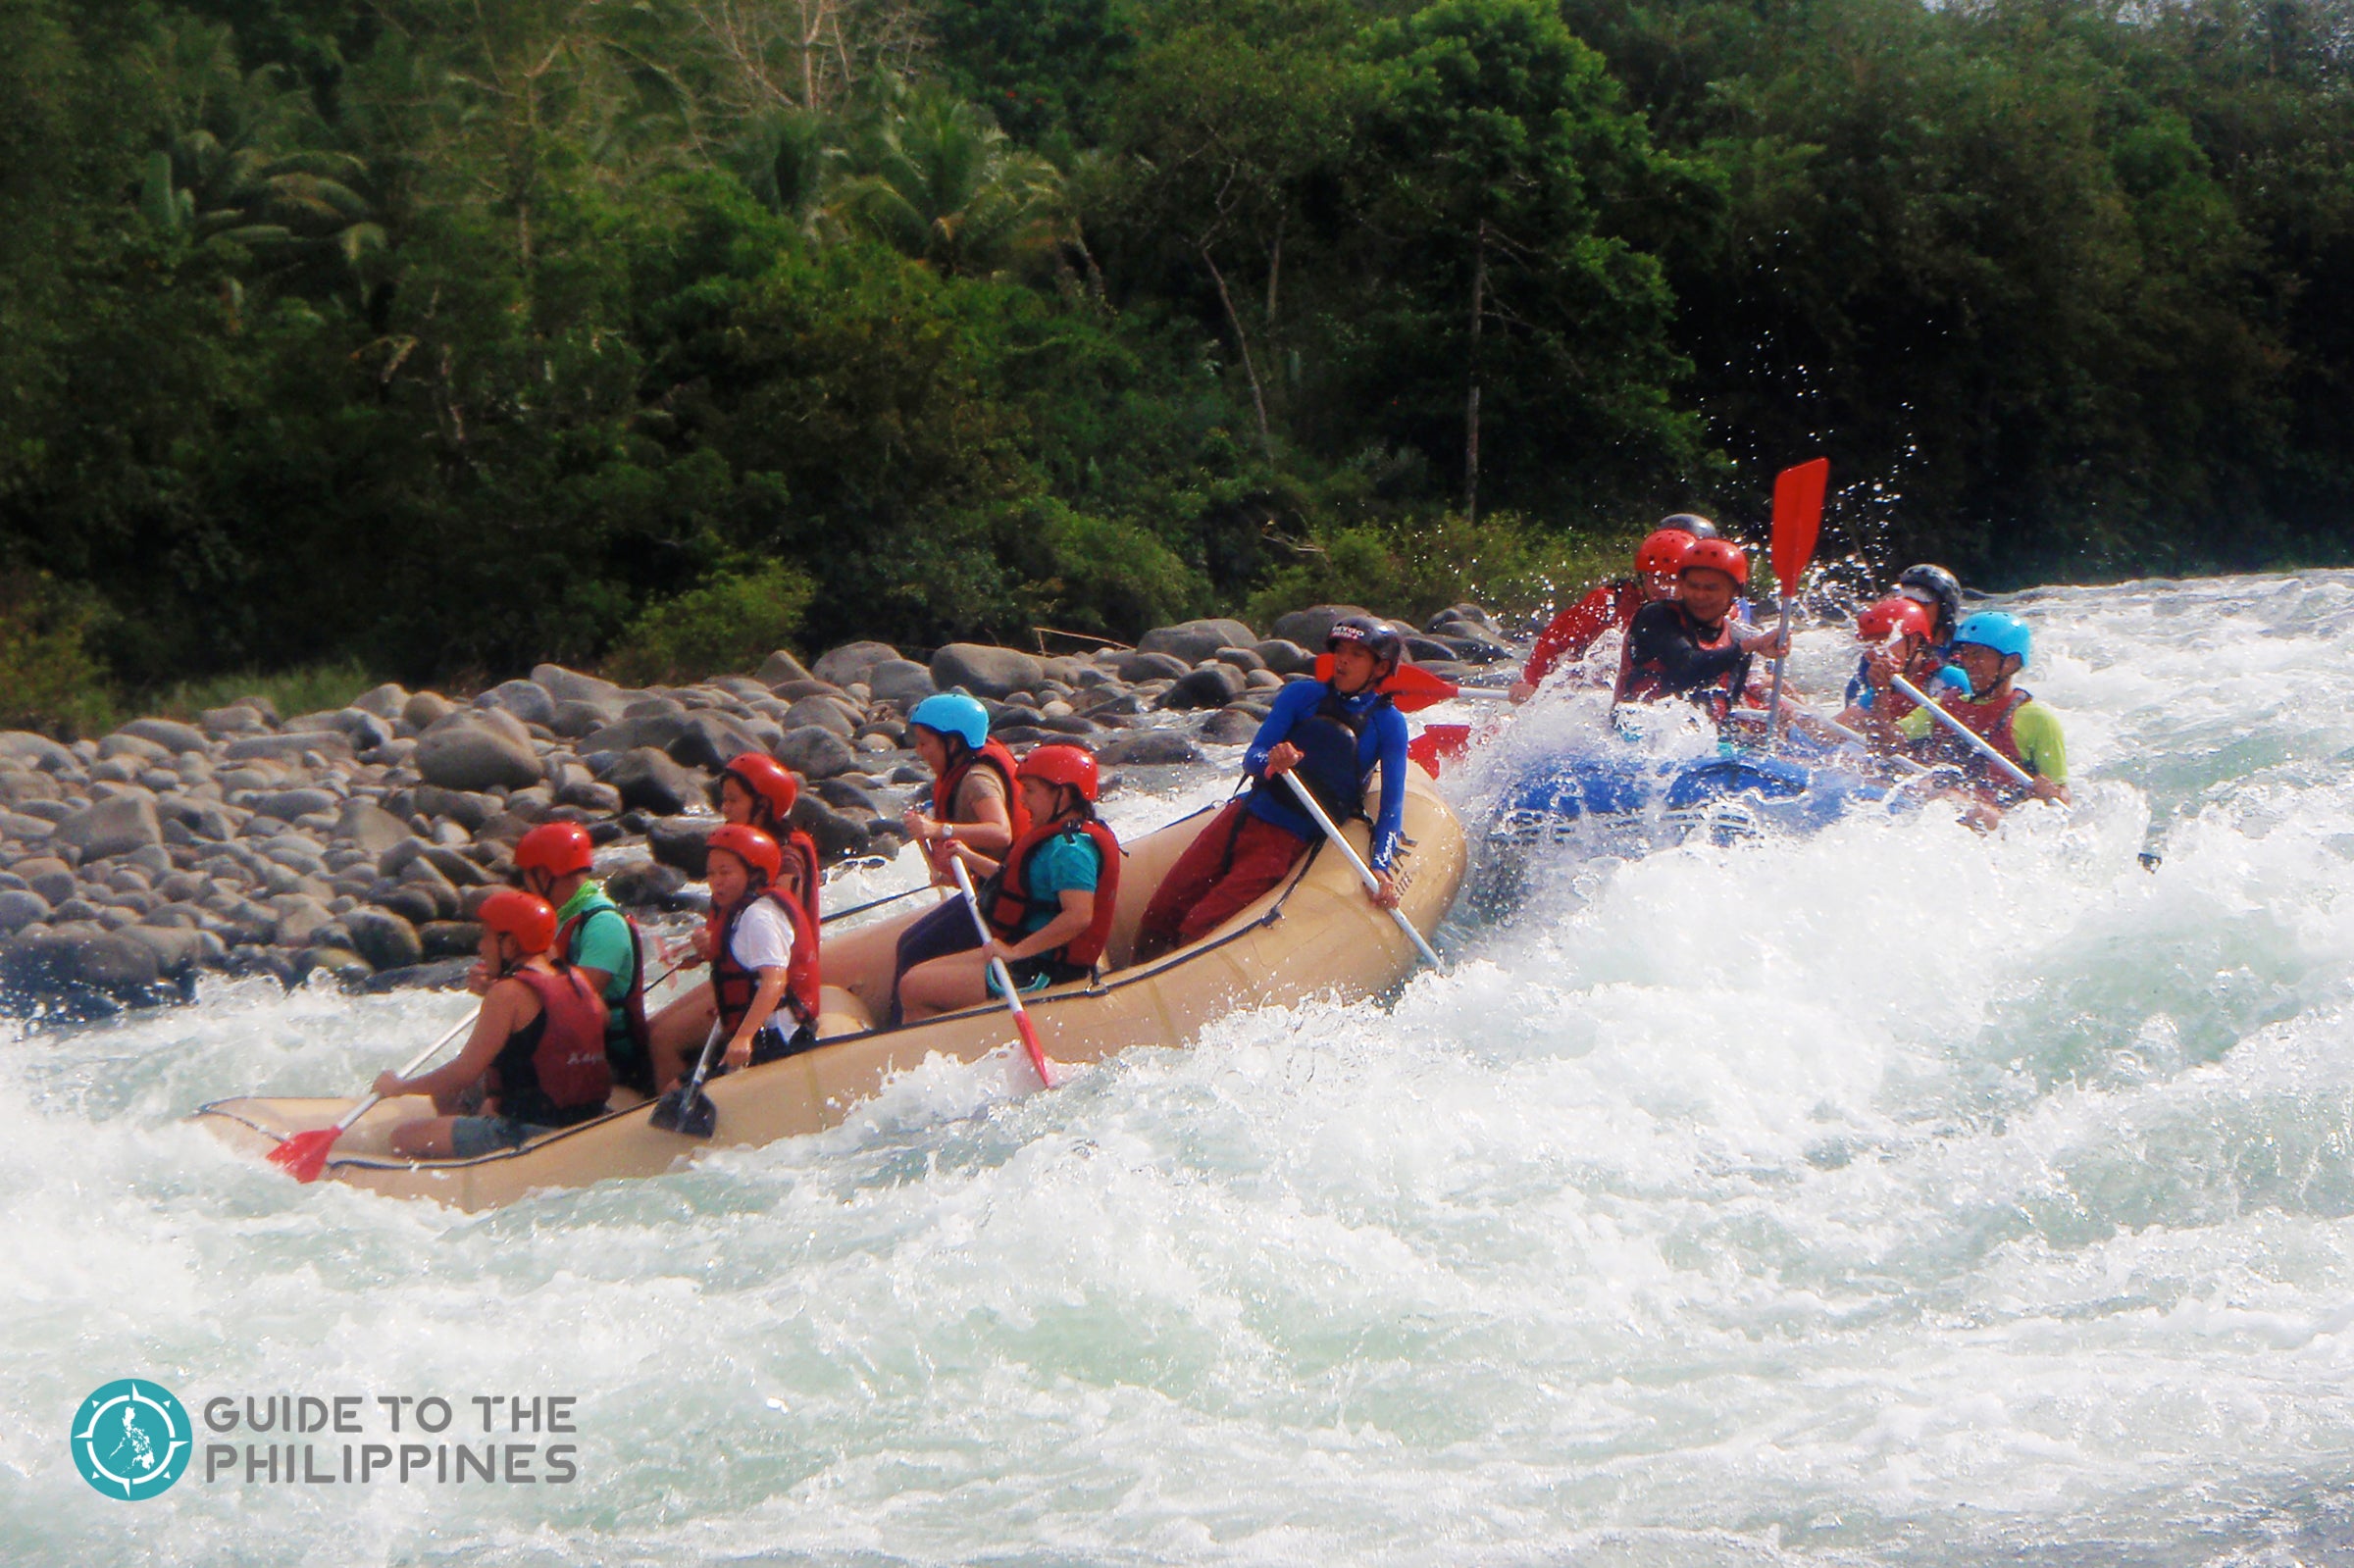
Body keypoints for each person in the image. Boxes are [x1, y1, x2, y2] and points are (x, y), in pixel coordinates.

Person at [1136, 616, 1410, 962]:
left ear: (1380, 666)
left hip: (1286, 841)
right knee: (1160, 914)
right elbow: (1253, 757)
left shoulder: (1389, 723)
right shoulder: (1301, 695)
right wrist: (1274, 762)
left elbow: (1391, 807)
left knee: (1198, 926)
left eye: (1356, 654)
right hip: (1242, 818)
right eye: (1340, 650)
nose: (1342, 660)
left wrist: (1381, 864)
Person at [376, 889, 612, 1158]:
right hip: (588, 1114)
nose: (480, 947)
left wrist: (400, 1088)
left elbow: (464, 1073)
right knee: (449, 1095)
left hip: (527, 1130)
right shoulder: (576, 979)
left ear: (510, 945)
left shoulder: (507, 993)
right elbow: (597, 1020)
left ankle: (471, 1163)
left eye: (486, 936)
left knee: (402, 1138)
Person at [897, 744, 1120, 1021]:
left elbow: (1078, 917)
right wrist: (969, 857)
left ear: (1062, 795)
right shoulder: (1055, 841)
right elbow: (1015, 883)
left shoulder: (1070, 850)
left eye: (1030, 791)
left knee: (914, 987)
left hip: (1043, 970)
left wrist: (1015, 951)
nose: (1022, 800)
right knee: (914, 975)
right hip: (1030, 957)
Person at [854, 692, 1035, 1023]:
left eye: (926, 744)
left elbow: (1001, 832)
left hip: (1009, 900)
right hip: (993, 886)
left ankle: (905, 1029)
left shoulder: (978, 781)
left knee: (916, 951)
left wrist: (940, 829)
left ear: (954, 743)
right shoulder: (965, 772)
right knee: (908, 942)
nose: (920, 752)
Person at [649, 825, 819, 1090]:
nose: (716, 881)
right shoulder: (741, 913)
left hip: (779, 1037)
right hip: (762, 1033)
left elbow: (774, 980)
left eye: (725, 872)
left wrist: (743, 1037)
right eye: (711, 874)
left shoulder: (759, 916)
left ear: (754, 873)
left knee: (675, 1089)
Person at [510, 822, 653, 1094]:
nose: (525, 886)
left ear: (544, 873)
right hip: (564, 1047)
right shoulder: (558, 916)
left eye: (527, 877)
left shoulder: (603, 924)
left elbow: (578, 1005)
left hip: (610, 1056)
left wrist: (510, 997)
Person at [1510, 517, 1718, 701]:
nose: (1661, 587)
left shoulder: (1716, 613)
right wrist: (1531, 682)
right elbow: (1554, 642)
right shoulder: (1610, 602)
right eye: (1654, 577)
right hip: (1599, 697)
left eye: (1671, 579)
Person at [1898, 610, 2069, 823]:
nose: (1969, 663)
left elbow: (2063, 799)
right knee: (1922, 789)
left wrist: (2050, 792)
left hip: (2000, 817)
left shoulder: (2038, 719)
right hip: (1944, 805)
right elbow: (1885, 743)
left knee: (1978, 814)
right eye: (1966, 654)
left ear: (2011, 663)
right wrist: (1880, 691)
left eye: (1978, 655)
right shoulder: (1942, 707)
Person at [1615, 537, 1787, 723]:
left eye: (1711, 588)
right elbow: (1687, 669)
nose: (1699, 595)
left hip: (1698, 740)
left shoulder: (1738, 640)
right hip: (1636, 733)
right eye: (1692, 586)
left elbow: (1726, 709)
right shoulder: (1657, 616)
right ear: (1681, 584)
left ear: (1736, 592)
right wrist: (1751, 645)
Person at [718, 752, 822, 922]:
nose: (725, 808)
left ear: (762, 806)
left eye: (733, 800)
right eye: (724, 800)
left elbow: (779, 922)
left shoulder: (787, 857)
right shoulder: (742, 848)